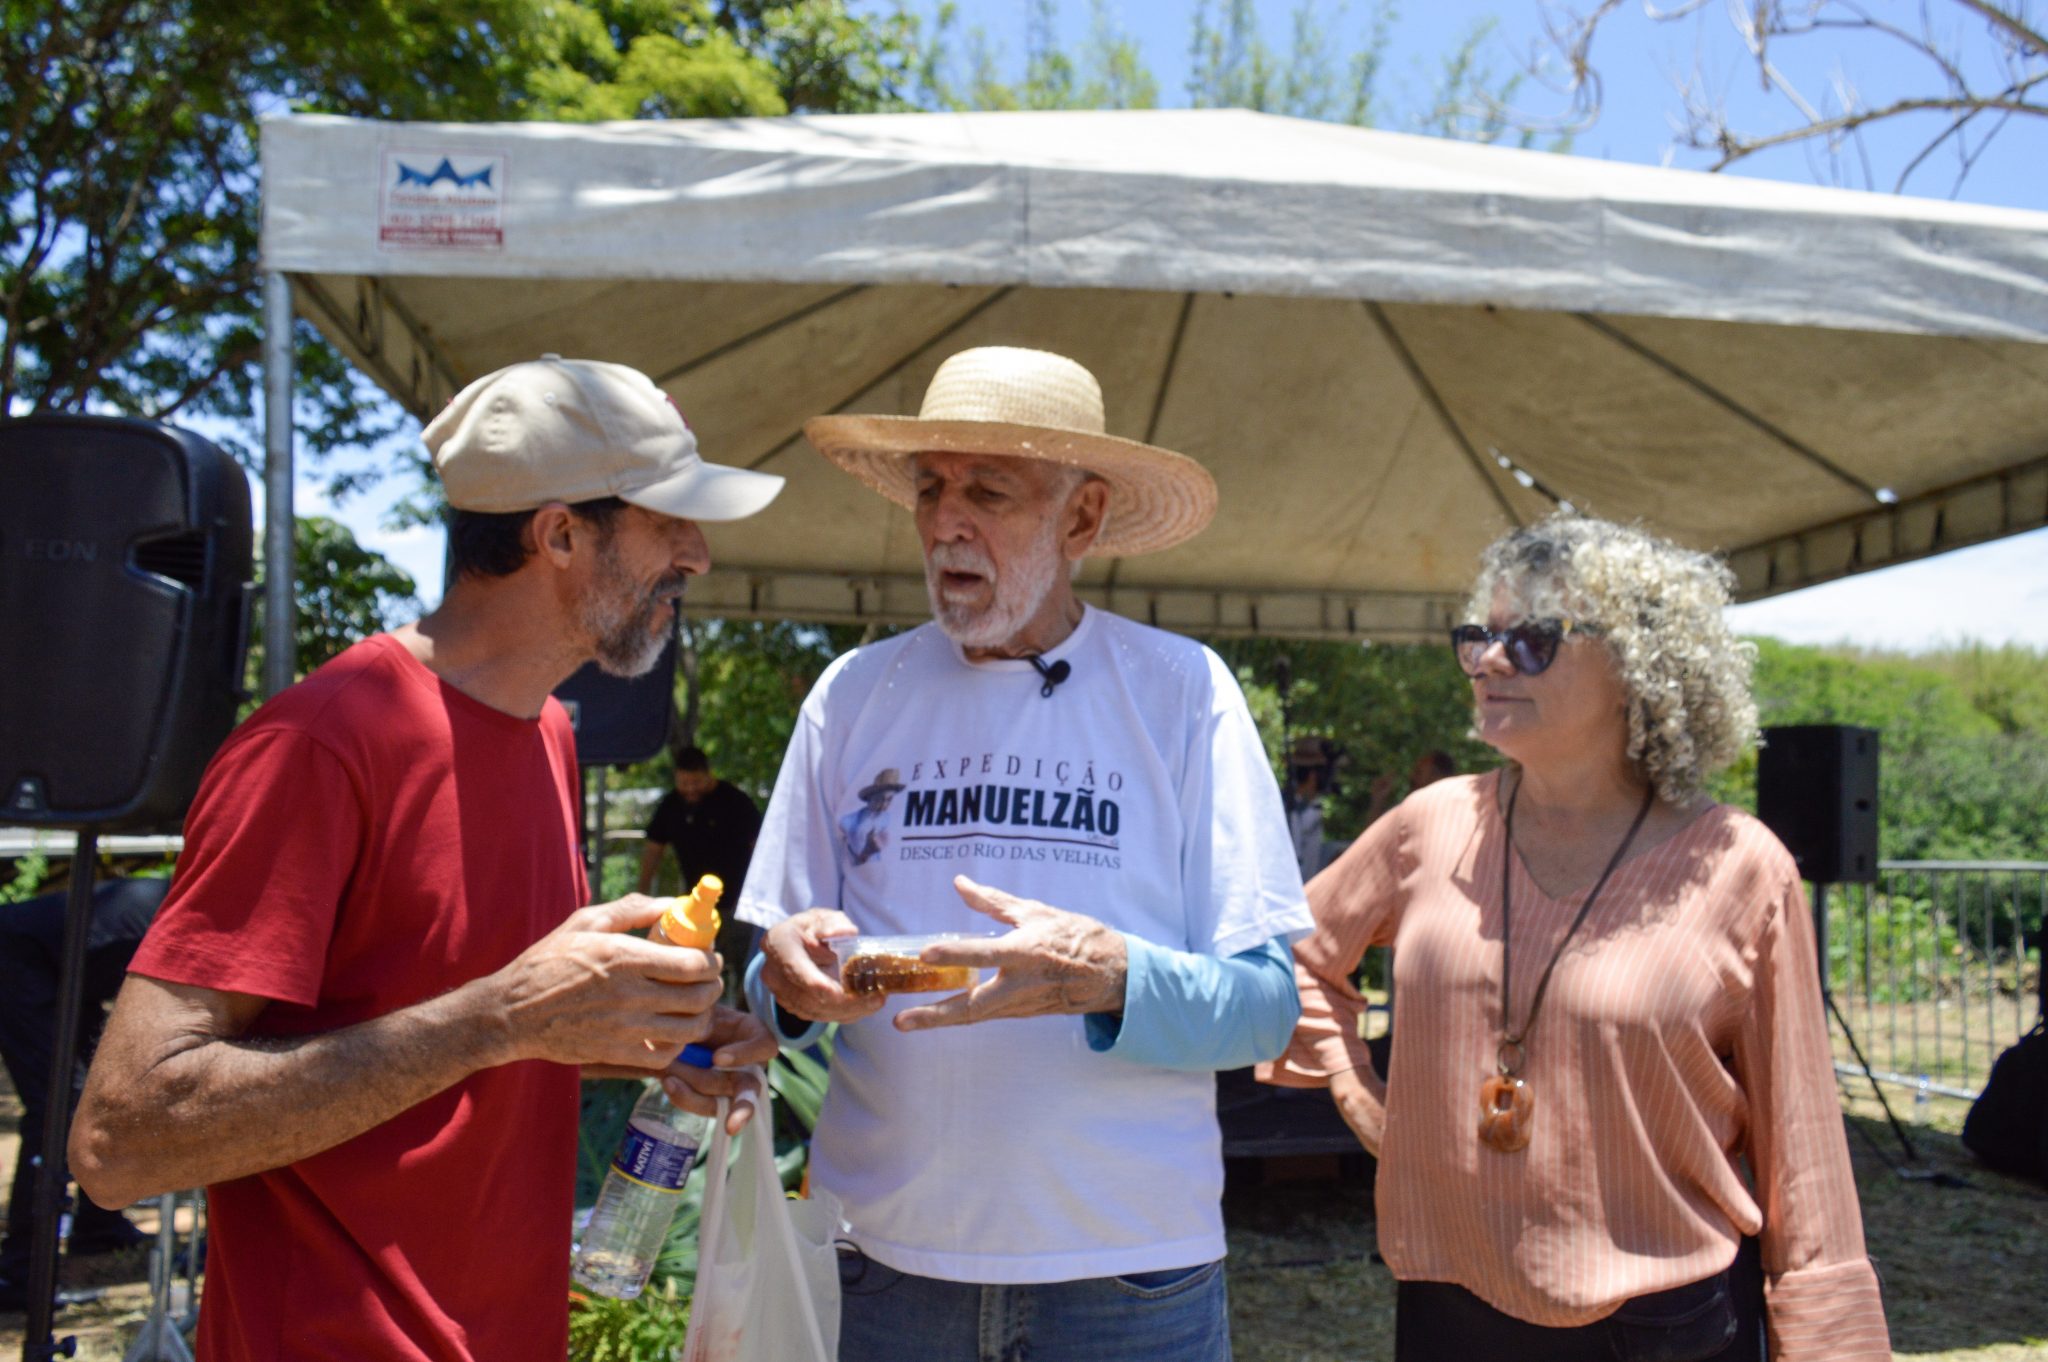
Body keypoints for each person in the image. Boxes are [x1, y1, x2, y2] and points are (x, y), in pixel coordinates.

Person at [67, 357, 787, 1362]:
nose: (698, 555)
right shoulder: (321, 743)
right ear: (561, 534)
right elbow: (120, 1141)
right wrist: (499, 1018)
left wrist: (630, 1034)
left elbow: (465, 1032)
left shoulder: (546, 732)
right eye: (670, 521)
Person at [741, 346, 1313, 1362]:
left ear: (1081, 519)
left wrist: (1111, 978)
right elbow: (765, 983)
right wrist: (783, 980)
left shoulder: (1181, 692)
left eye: (989, 492)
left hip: (1128, 1273)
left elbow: (1266, 1008)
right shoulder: (852, 694)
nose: (944, 523)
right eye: (930, 489)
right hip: (889, 1265)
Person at [1260, 514, 1891, 1362]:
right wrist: (1356, 1090)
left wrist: (1829, 1341)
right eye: (1477, 637)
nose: (1489, 661)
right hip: (1448, 1304)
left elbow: (1801, 1147)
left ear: (1638, 665)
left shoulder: (1740, 866)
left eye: (1533, 640)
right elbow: (1293, 951)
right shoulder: (1428, 825)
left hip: (1663, 1326)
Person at [0, 877, 165, 1313]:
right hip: (19, 958)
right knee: (56, 1108)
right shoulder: (184, 919)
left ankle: (97, 1227)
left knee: (108, 1093)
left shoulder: (178, 905)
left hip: (72, 975)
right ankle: (21, 1270)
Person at [636, 746, 763, 987]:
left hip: (739, 904)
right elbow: (654, 848)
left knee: (743, 968)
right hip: (695, 908)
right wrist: (642, 888)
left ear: (708, 774)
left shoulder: (734, 801)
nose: (690, 788)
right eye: (684, 783)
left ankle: (741, 1006)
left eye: (696, 782)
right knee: (697, 969)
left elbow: (759, 846)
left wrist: (759, 891)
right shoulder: (671, 805)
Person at [1362, 748, 1456, 826]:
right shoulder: (1406, 811)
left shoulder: (1450, 817)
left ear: (1435, 776)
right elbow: (1375, 838)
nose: (1412, 777)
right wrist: (1378, 800)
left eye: (1419, 772)